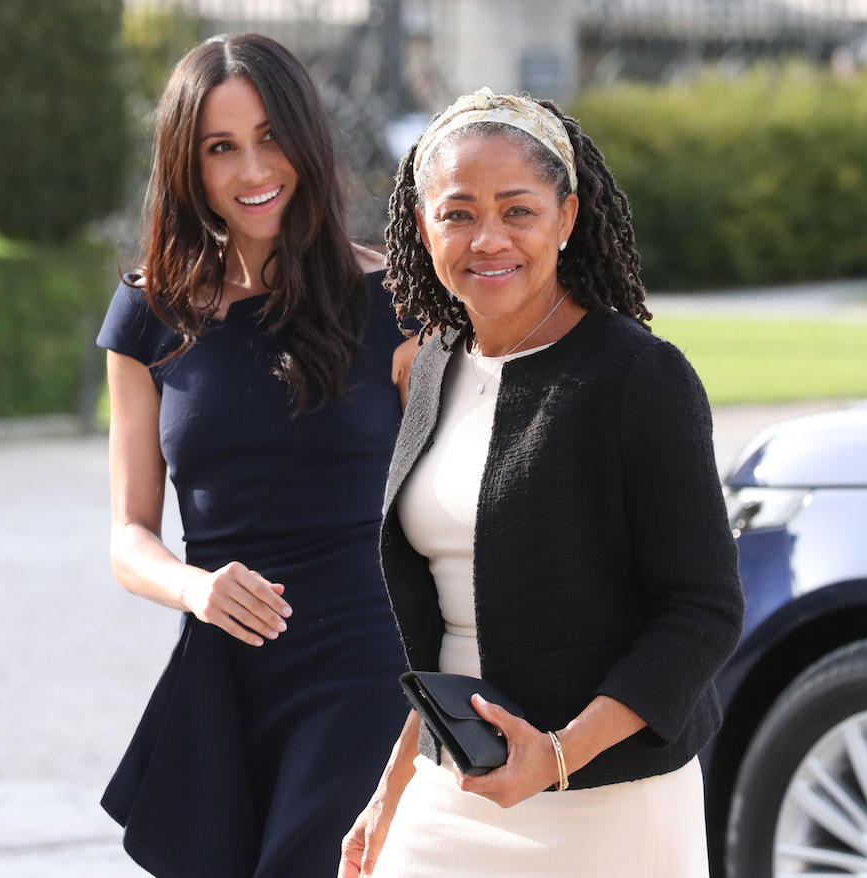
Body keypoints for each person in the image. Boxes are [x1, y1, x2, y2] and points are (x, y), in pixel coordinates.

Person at [339, 88, 744, 878]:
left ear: (566, 217)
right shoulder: (431, 367)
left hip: (606, 804)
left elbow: (703, 611)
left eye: (517, 210)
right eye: (457, 213)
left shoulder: (638, 377)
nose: (488, 238)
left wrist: (557, 755)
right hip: (451, 787)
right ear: (423, 229)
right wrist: (393, 788)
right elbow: (450, 620)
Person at [95, 33, 416, 878]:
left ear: (306, 139)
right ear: (186, 163)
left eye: (270, 136)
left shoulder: (394, 307)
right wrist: (196, 588)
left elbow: (453, 509)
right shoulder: (147, 318)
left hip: (366, 668)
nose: (251, 170)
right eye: (221, 147)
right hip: (223, 674)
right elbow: (129, 535)